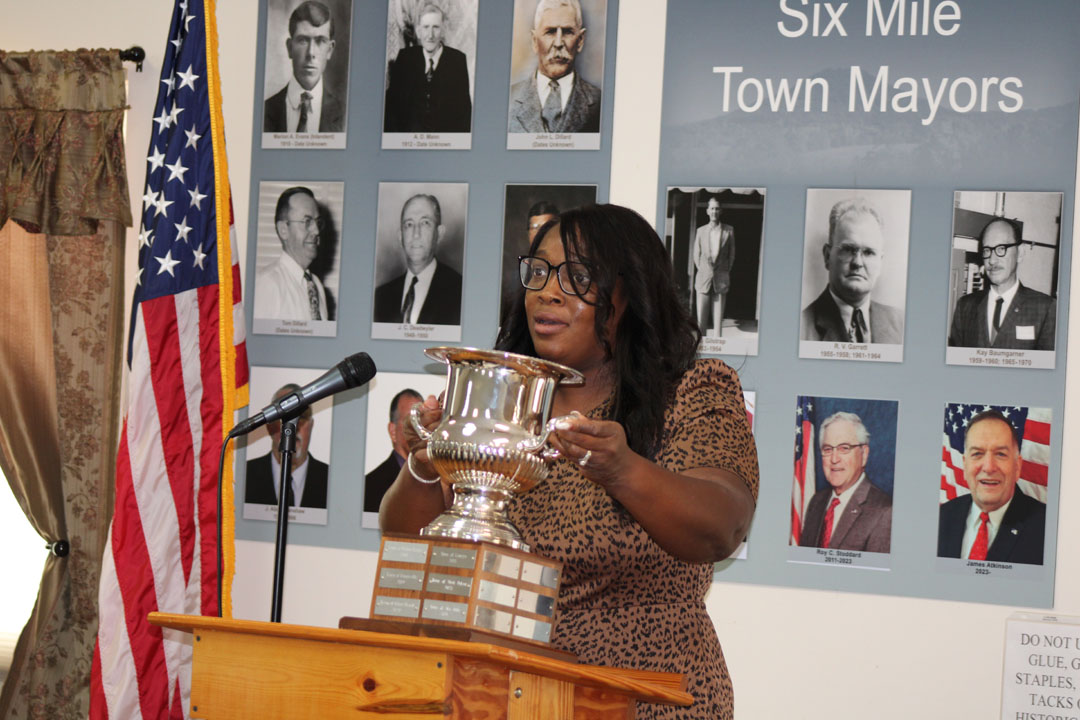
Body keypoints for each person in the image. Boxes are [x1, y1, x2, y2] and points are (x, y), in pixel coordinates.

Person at [380, 204, 759, 719]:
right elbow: (408, 547)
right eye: (538, 272)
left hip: (645, 701)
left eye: (577, 277)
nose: (548, 291)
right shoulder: (504, 399)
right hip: (506, 700)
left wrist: (623, 470)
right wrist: (425, 462)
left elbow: (723, 525)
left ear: (631, 294)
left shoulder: (693, 392)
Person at [938, 409, 1045, 564]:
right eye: (977, 454)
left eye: (1000, 454)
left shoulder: (1046, 529)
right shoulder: (942, 517)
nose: (988, 467)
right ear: (965, 465)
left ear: (1017, 466)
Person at [801, 197, 904, 344]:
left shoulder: (901, 325)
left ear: (880, 262)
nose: (857, 262)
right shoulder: (800, 328)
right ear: (827, 256)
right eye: (848, 250)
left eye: (868, 252)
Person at [947, 216, 1056, 350]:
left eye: (1001, 248)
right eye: (987, 250)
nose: (992, 260)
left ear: (1020, 253)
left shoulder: (1045, 308)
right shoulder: (965, 306)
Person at [799, 412, 892, 553]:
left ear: (864, 454)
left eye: (844, 448)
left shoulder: (885, 512)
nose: (834, 459)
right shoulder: (816, 502)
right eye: (828, 449)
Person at [508, 0, 601, 134]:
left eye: (567, 32)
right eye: (550, 32)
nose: (558, 43)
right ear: (535, 41)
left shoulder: (599, 101)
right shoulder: (509, 99)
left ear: (580, 41)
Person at [372, 193, 463, 325]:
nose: (416, 234)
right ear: (400, 236)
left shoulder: (460, 293)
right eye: (409, 224)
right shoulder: (380, 297)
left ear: (440, 234)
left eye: (425, 223)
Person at [383, 3, 472, 133]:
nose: (430, 35)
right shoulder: (405, 59)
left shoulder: (457, 61)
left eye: (435, 27)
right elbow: (391, 109)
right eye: (426, 27)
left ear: (442, 31)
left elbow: (464, 115)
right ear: (418, 32)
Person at [264, 0, 344, 133]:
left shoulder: (345, 114)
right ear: (290, 48)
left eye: (320, 41)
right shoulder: (265, 110)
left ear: (329, 50)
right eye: (303, 40)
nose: (311, 53)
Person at [245, 384, 329, 509]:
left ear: (311, 425)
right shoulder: (246, 475)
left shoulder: (330, 478)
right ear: (269, 427)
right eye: (284, 417)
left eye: (302, 417)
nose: (293, 426)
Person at [254, 186, 330, 322]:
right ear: (283, 230)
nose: (316, 231)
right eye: (307, 222)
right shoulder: (268, 284)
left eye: (317, 222)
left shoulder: (317, 286)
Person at [364, 388, 423, 514]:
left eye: (421, 420)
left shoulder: (439, 483)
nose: (418, 428)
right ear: (393, 431)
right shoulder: (371, 486)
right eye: (410, 421)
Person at [501, 200, 560, 321]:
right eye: (536, 227)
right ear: (528, 233)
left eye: (547, 226)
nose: (540, 233)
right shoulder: (514, 279)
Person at [692, 197, 735, 337]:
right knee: (701, 322)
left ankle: (718, 350)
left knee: (718, 324)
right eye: (712, 208)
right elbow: (696, 255)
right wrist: (705, 270)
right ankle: (701, 349)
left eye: (717, 208)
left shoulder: (729, 231)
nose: (714, 211)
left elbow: (731, 255)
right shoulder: (700, 231)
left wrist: (724, 271)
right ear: (707, 211)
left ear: (720, 211)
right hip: (703, 279)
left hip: (721, 279)